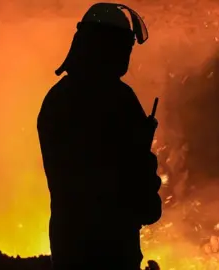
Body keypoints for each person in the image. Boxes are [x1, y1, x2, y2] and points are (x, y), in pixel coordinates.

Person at [37, 3, 162, 270]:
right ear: (107, 46)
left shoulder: (58, 97)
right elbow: (128, 180)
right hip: (111, 249)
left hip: (69, 244)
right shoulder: (116, 99)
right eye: (124, 46)